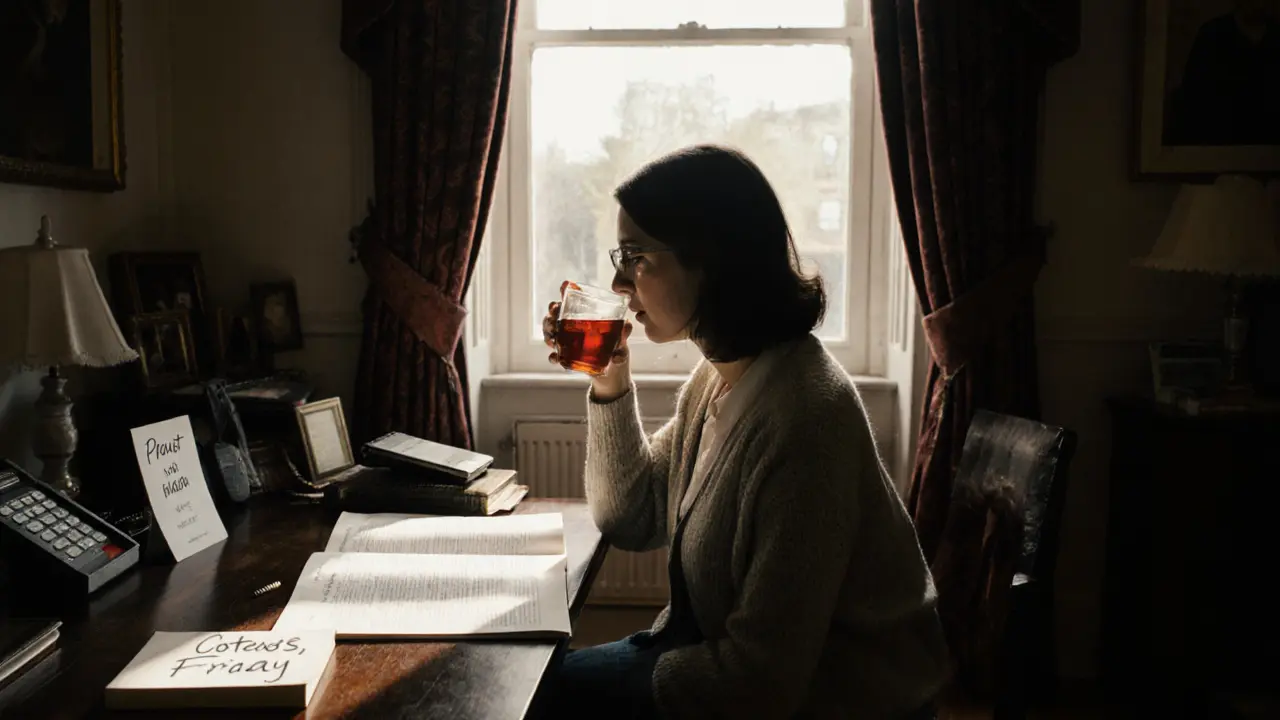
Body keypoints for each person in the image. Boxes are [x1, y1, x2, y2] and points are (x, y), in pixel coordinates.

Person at [540, 145, 949, 719]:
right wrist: (611, 379)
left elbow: (761, 684)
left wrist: (635, 679)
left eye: (635, 257)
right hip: (713, 662)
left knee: (533, 695)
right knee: (538, 684)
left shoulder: (806, 421)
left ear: (709, 258)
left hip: (840, 700)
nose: (616, 281)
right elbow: (630, 513)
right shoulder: (721, 376)